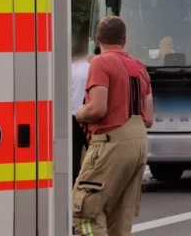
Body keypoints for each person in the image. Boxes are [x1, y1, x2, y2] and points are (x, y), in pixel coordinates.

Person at [72, 16, 154, 236]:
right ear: (124, 40)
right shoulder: (139, 67)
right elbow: (149, 118)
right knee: (119, 216)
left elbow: (97, 109)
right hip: (138, 142)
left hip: (111, 142)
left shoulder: (101, 62)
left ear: (98, 39)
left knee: (86, 211)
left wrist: (79, 114)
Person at [71, 40, 91, 186]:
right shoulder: (90, 69)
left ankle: (74, 185)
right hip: (88, 115)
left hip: (71, 116)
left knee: (74, 155)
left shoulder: (67, 70)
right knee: (93, 153)